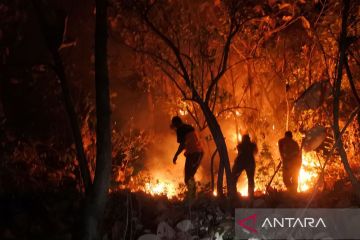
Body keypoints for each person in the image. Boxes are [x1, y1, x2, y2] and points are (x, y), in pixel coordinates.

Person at [171, 116, 203, 199]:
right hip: (200, 152)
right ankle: (194, 196)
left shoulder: (180, 129)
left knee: (188, 178)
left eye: (174, 125)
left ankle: (192, 198)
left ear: (176, 124)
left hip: (193, 153)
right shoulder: (188, 127)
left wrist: (176, 155)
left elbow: (182, 145)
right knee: (190, 176)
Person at [232, 134, 257, 202]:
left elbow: (239, 152)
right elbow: (255, 152)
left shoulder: (241, 145)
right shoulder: (251, 145)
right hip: (249, 163)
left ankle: (233, 193)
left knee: (234, 178)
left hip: (241, 162)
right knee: (250, 180)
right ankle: (250, 195)